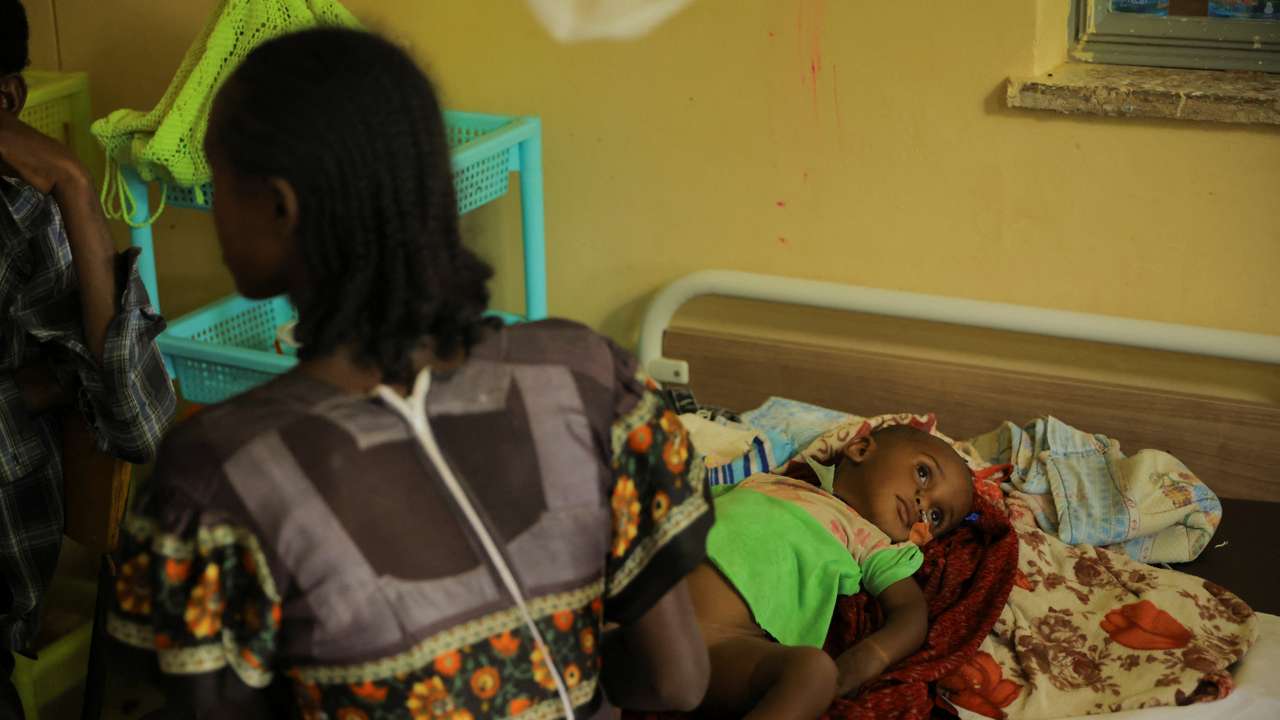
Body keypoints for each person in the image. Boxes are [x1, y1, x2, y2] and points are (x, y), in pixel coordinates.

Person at [106, 28, 711, 720]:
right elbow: (677, 683)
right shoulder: (587, 381)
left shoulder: (220, 476)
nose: (213, 212)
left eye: (219, 184)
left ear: (280, 206)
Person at [0, 1, 175, 716]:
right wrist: (19, 398)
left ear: (6, 103)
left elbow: (135, 425)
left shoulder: (20, 218)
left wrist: (75, 188)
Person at [687, 423, 975, 719]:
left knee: (813, 673)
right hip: (655, 582)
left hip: (719, 645)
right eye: (923, 473)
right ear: (860, 449)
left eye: (936, 516)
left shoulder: (875, 544)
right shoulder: (771, 481)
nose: (922, 503)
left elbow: (911, 613)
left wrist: (872, 656)